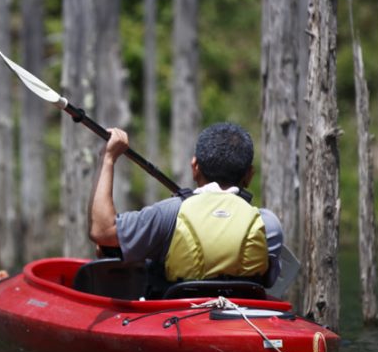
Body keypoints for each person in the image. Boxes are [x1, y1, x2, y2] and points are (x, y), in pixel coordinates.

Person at [88, 122, 283, 290]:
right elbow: (269, 282)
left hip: (177, 322)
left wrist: (108, 158)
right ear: (249, 175)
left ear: (194, 167)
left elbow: (102, 230)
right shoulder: (268, 225)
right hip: (246, 323)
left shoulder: (171, 213)